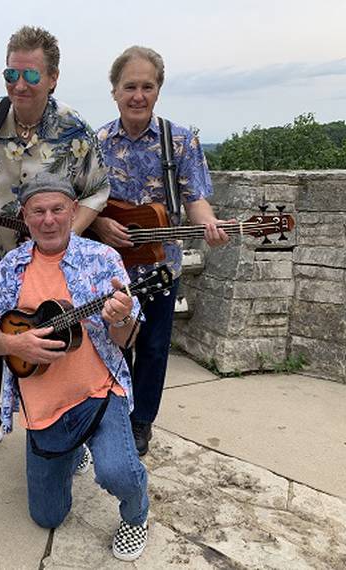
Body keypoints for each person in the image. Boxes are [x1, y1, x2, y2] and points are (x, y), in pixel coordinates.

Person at [0, 26, 110, 462]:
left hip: (55, 266)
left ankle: (69, 427)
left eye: (31, 76)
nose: (19, 85)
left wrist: (69, 233)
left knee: (62, 345)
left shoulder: (75, 128)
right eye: (11, 74)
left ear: (53, 78)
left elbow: (97, 189)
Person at [0, 172, 150, 561]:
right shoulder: (13, 265)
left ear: (73, 212)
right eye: (38, 211)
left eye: (57, 209)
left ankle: (136, 515)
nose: (48, 220)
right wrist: (12, 342)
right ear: (25, 215)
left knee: (117, 472)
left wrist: (120, 318)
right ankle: (74, 451)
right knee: (47, 516)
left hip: (99, 392)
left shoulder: (102, 259)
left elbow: (126, 340)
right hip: (44, 406)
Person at [93, 46, 230, 456]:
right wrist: (101, 223)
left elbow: (196, 198)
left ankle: (141, 422)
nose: (138, 95)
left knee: (152, 346)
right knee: (111, 342)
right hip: (109, 266)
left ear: (158, 91)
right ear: (115, 91)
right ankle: (110, 413)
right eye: (130, 86)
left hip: (159, 267)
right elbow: (83, 202)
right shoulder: (96, 143)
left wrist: (208, 221)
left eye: (147, 87)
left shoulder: (181, 142)